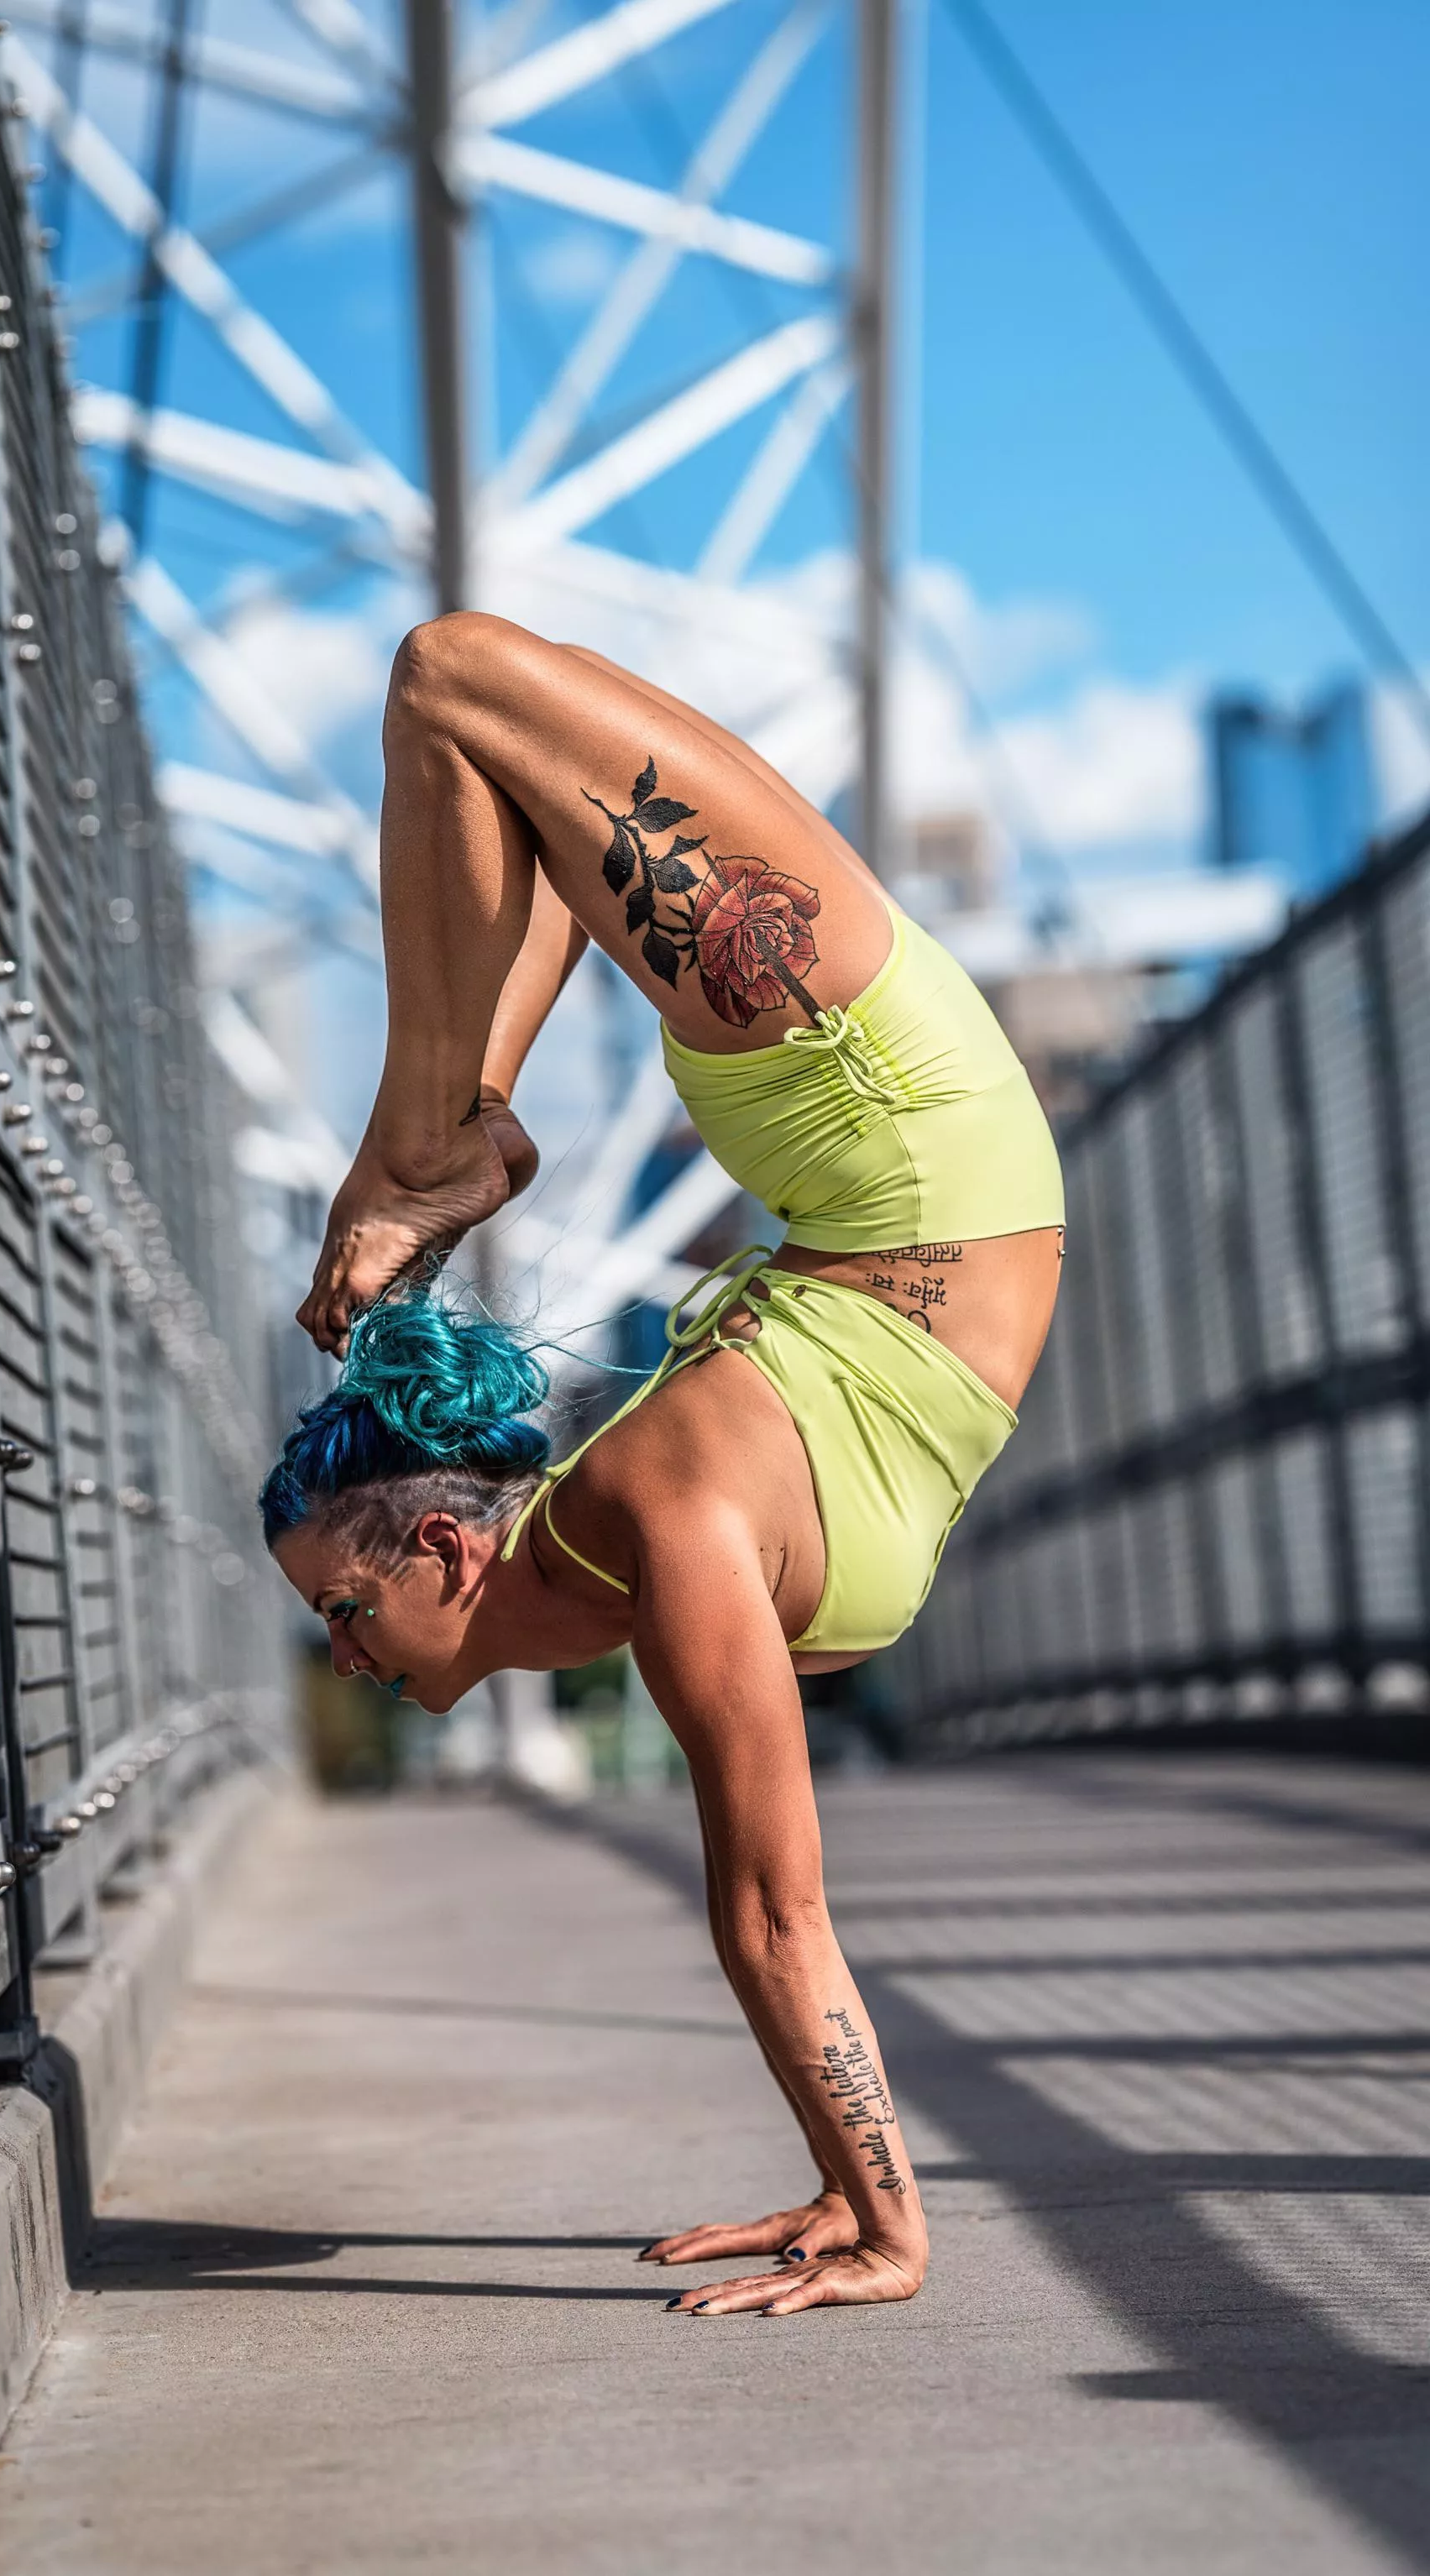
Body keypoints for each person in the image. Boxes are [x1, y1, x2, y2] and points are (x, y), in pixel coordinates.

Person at [264, 614, 1064, 2317]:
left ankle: (430, 1138)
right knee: (464, 710)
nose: (332, 1654)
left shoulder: (652, 1521)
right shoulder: (652, 1536)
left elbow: (776, 1921)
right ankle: (451, 1125)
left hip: (877, 1108)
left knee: (444, 673)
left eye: (341, 1607)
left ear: (444, 1549)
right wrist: (854, 2189)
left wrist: (889, 2228)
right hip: (879, 1151)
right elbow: (777, 1920)